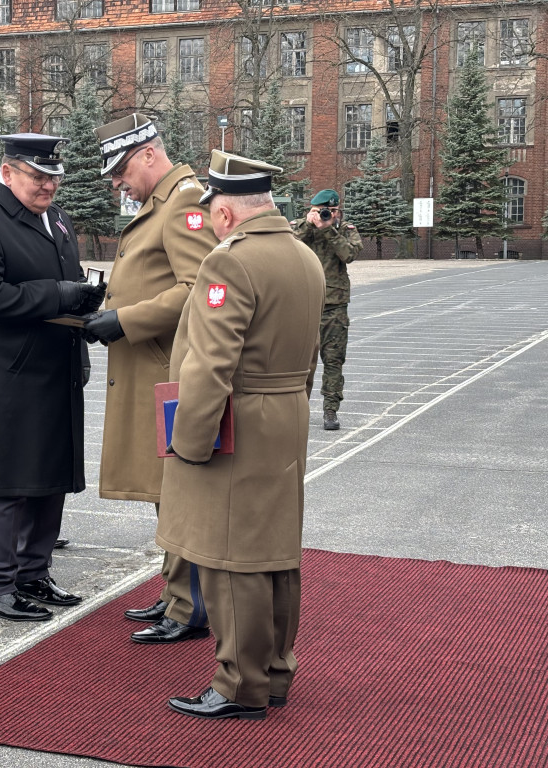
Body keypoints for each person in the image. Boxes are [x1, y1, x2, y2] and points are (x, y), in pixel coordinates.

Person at [157, 150, 325, 720]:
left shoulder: (230, 263)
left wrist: (190, 439)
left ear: (225, 213)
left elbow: (209, 365)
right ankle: (275, 673)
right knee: (275, 553)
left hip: (239, 419)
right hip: (286, 413)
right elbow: (310, 355)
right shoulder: (305, 257)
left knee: (229, 558)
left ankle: (239, 684)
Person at [0, 133, 104, 622]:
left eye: (54, 178)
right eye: (39, 177)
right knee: (4, 481)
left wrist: (81, 317)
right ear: (8, 170)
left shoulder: (55, 218)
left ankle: (33, 573)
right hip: (4, 375)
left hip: (52, 367)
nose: (49, 186)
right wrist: (57, 294)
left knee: (48, 475)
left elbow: (68, 283)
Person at [84, 112, 218, 645]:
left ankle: (190, 607)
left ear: (146, 154)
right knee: (168, 489)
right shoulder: (158, 202)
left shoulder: (183, 201)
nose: (117, 182)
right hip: (150, 368)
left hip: (166, 372)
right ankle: (174, 591)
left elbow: (199, 286)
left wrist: (126, 320)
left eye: (120, 170)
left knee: (178, 488)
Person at [291, 189, 362, 430]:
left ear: (338, 211)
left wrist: (329, 229)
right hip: (304, 304)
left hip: (334, 305)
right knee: (297, 362)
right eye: (322, 210)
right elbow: (287, 248)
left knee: (333, 361)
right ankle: (296, 410)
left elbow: (349, 255)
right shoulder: (300, 227)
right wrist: (310, 225)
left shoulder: (346, 230)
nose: (327, 214)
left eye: (332, 211)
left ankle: (330, 411)